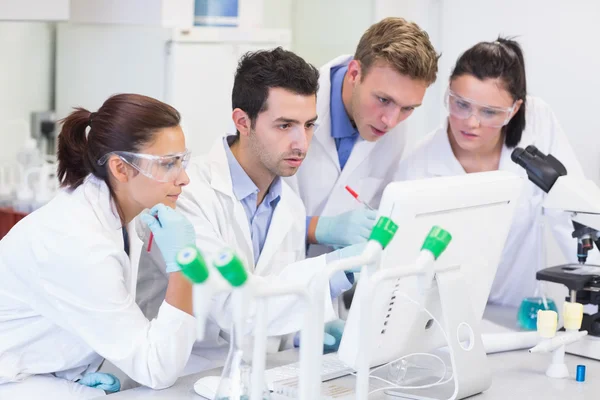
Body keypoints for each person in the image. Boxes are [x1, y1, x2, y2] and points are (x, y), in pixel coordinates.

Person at [136, 48, 362, 374]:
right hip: (182, 377)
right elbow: (231, 304)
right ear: (243, 121)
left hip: (256, 376)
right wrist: (333, 270)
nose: (302, 143)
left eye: (309, 125)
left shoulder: (290, 206)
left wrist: (305, 332)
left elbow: (273, 303)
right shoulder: (183, 196)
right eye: (285, 126)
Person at [0, 94, 199, 399]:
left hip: (47, 371)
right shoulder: (78, 241)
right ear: (121, 168)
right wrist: (185, 266)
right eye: (168, 164)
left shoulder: (119, 213)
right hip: (13, 380)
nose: (183, 178)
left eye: (182, 161)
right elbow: (157, 369)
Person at [395, 37, 597, 306]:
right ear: (448, 92)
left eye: (490, 112)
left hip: (520, 313)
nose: (471, 122)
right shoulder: (418, 165)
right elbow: (404, 267)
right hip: (444, 319)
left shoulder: (536, 125)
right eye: (461, 104)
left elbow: (573, 217)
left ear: (514, 110)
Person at [286, 17, 440, 261]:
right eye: (383, 100)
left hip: (334, 285)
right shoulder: (290, 107)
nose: (391, 120)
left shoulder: (394, 130)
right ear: (355, 73)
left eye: (408, 108)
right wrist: (316, 228)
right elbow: (252, 217)